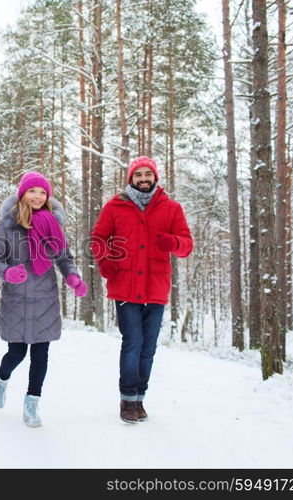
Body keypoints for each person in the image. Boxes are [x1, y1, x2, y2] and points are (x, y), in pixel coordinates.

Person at [91, 156, 193, 423]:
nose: (144, 178)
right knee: (132, 342)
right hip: (124, 285)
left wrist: (172, 241)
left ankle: (140, 398)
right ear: (131, 179)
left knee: (148, 347)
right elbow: (98, 238)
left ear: (155, 177)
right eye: (139, 175)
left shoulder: (171, 208)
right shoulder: (115, 206)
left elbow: (186, 245)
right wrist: (106, 263)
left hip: (156, 287)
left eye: (148, 174)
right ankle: (127, 399)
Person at [0, 171, 87, 428]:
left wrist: (73, 278)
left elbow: (64, 258)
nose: (38, 196)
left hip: (45, 300)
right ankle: (1, 379)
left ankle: (31, 404)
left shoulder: (54, 225)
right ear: (22, 194)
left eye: (43, 192)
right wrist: (7, 272)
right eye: (33, 191)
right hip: (16, 301)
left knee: (41, 356)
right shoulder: (7, 226)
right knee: (16, 353)